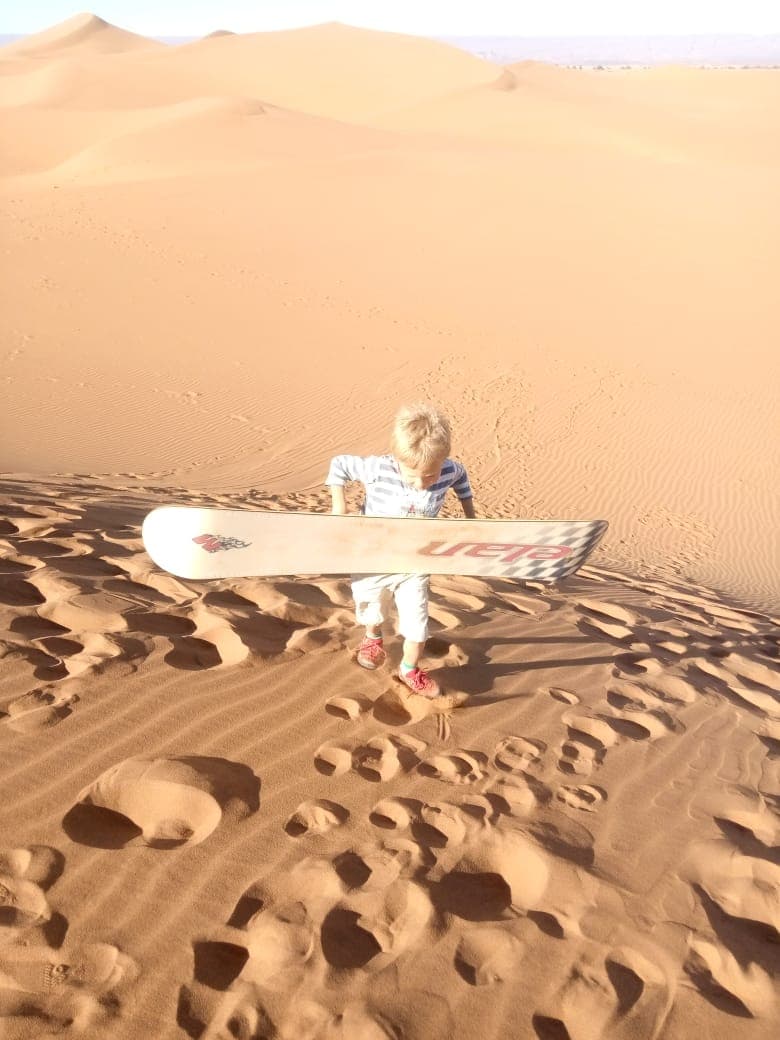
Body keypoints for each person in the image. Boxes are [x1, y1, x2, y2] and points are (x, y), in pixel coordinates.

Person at [326, 403, 475, 698]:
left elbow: (462, 479)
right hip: (373, 559)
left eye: (430, 476)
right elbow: (339, 464)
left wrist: (471, 516)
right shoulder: (378, 468)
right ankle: (372, 637)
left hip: (414, 563)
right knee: (372, 610)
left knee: (417, 625)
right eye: (412, 475)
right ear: (397, 458)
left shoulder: (448, 469)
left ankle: (409, 667)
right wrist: (339, 506)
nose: (421, 484)